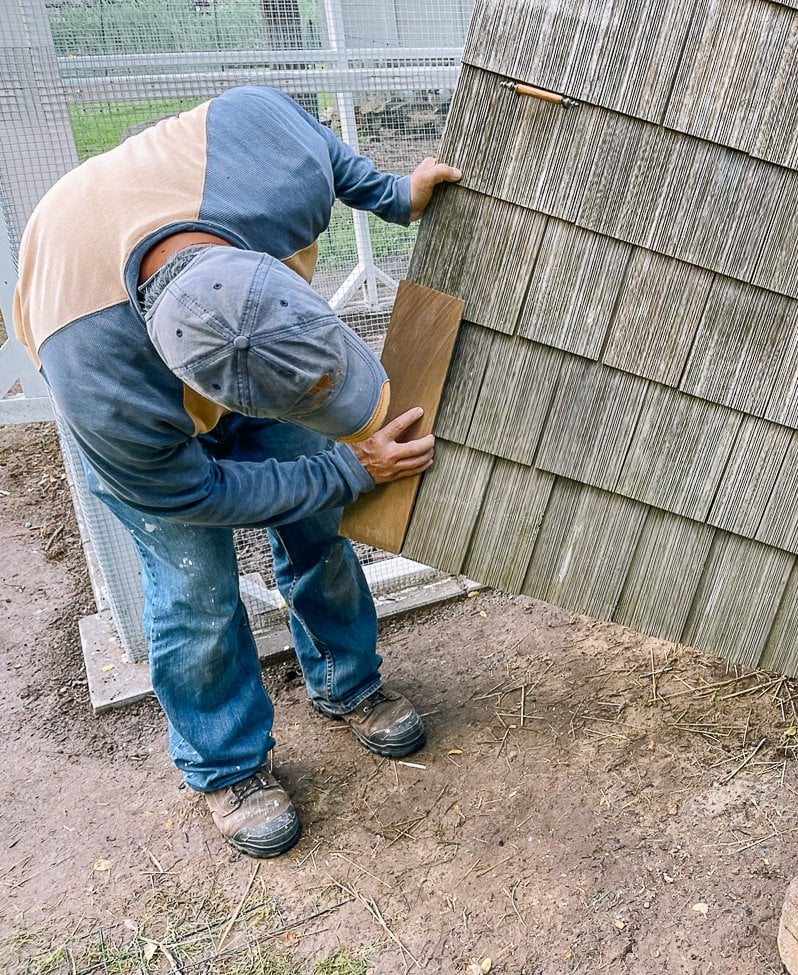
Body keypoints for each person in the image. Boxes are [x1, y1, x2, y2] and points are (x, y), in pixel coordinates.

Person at [12, 85, 461, 858]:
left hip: (195, 290)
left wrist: (395, 194)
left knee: (316, 523)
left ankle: (346, 680)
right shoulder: (103, 387)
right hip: (115, 354)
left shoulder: (270, 163)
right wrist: (352, 469)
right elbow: (197, 493)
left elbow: (330, 156)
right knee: (195, 590)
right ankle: (227, 765)